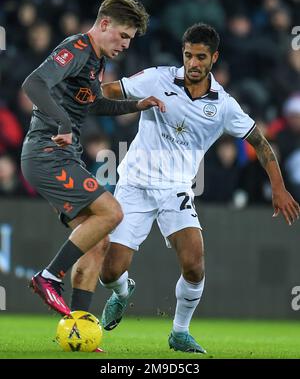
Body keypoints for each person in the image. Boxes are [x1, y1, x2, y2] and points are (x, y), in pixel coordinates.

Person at [71, 23, 300, 353]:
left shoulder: (222, 105)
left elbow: (261, 143)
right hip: (134, 184)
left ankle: (179, 331)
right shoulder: (158, 78)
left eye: (201, 57)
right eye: (188, 55)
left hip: (176, 189)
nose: (193, 62)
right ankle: (123, 292)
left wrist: (278, 188)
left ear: (214, 58)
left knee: (194, 263)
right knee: (110, 273)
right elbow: (110, 91)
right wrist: (81, 91)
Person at [20, 0, 165, 317]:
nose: (126, 44)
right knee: (112, 212)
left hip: (62, 156)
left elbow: (94, 103)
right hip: (47, 152)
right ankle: (49, 277)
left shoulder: (95, 61)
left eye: (130, 38)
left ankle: (80, 322)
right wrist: (61, 121)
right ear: (103, 24)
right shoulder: (78, 48)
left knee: (97, 237)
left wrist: (136, 105)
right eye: (123, 35)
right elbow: (33, 83)